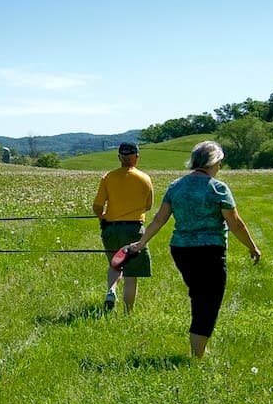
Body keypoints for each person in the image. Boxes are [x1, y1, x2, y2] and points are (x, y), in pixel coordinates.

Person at [127, 140, 261, 358]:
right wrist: (252, 247)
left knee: (199, 295)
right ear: (213, 162)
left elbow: (160, 219)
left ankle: (200, 347)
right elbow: (235, 223)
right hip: (210, 251)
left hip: (181, 251)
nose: (220, 168)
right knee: (208, 300)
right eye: (219, 163)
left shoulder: (176, 186)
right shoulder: (218, 188)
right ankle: (198, 353)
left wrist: (141, 244)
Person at [92, 141, 153, 312]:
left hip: (111, 228)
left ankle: (111, 291)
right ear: (136, 157)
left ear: (119, 157)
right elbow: (148, 205)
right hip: (134, 229)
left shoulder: (108, 178)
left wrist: (103, 217)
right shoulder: (145, 179)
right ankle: (128, 312)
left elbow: (97, 206)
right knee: (131, 274)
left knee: (115, 264)